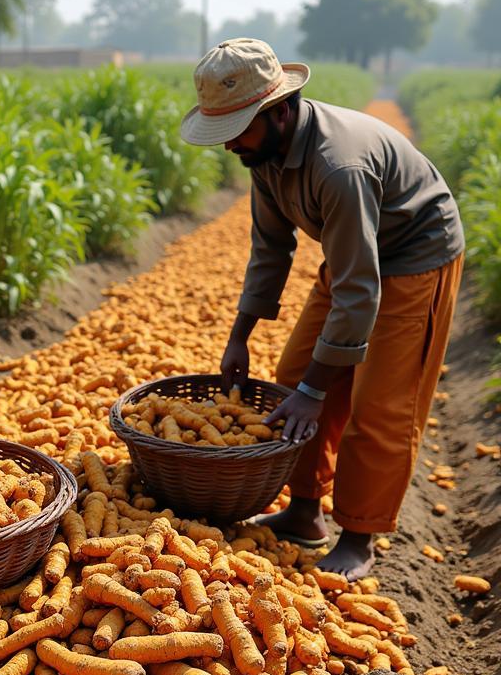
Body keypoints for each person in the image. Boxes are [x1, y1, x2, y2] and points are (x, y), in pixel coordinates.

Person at [180, 38, 464, 581]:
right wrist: (239, 335)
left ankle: (359, 535)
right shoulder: (261, 151)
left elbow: (359, 290)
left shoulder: (340, 166)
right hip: (354, 251)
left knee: (378, 402)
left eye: (236, 130)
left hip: (413, 253)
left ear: (279, 110)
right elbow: (271, 248)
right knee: (293, 381)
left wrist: (319, 390)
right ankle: (305, 512)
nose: (230, 146)